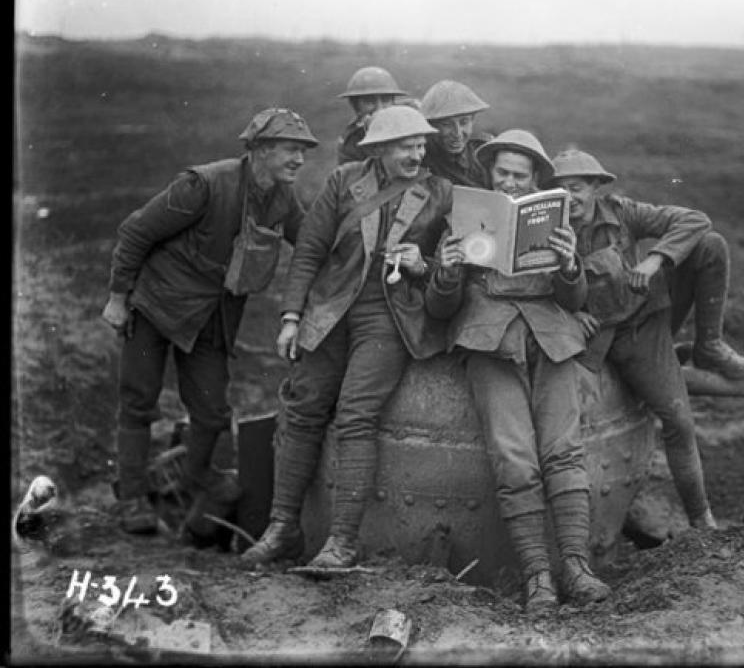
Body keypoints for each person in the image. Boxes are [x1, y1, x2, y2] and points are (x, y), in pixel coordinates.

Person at [242, 106, 453, 572]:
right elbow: (311, 250)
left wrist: (425, 265)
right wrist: (292, 316)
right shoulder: (344, 182)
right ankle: (282, 528)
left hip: (391, 315)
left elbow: (455, 266)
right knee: (303, 408)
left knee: (357, 414)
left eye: (421, 145)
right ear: (379, 149)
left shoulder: (440, 193)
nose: (418, 153)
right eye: (406, 146)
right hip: (332, 309)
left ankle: (341, 543)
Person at [102, 108, 318, 536]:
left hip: (211, 319)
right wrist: (117, 297)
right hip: (155, 305)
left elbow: (311, 244)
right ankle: (131, 499)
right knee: (138, 401)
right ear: (259, 150)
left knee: (211, 411)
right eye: (291, 150)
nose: (299, 160)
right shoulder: (203, 185)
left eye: (303, 152)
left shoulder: (283, 198)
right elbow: (137, 231)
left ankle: (191, 480)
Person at [425, 129, 611, 613]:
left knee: (563, 450)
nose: (508, 182)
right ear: (490, 174)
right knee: (514, 457)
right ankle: (538, 577)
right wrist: (446, 272)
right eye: (501, 173)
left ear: (536, 181)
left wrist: (570, 266)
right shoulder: (466, 218)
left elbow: (574, 301)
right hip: (489, 338)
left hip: (551, 338)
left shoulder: (554, 221)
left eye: (519, 175)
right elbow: (440, 309)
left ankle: (575, 565)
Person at [546, 149, 744, 529]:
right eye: (560, 190)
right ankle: (598, 523)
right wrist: (571, 313)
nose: (570, 199)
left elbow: (696, 220)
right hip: (589, 339)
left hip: (640, 329)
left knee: (678, 419)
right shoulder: (547, 226)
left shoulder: (622, 212)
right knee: (568, 430)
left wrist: (655, 259)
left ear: (597, 188)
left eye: (577, 188)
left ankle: (702, 521)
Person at [420, 79, 493, 189]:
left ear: (473, 121)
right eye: (447, 124)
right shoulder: (420, 157)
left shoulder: (482, 152)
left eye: (464, 122)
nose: (457, 133)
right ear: (431, 126)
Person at [336, 66, 410, 164]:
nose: (379, 108)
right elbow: (351, 175)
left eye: (385, 100)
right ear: (356, 106)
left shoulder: (411, 124)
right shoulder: (352, 142)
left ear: (393, 102)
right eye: (369, 101)